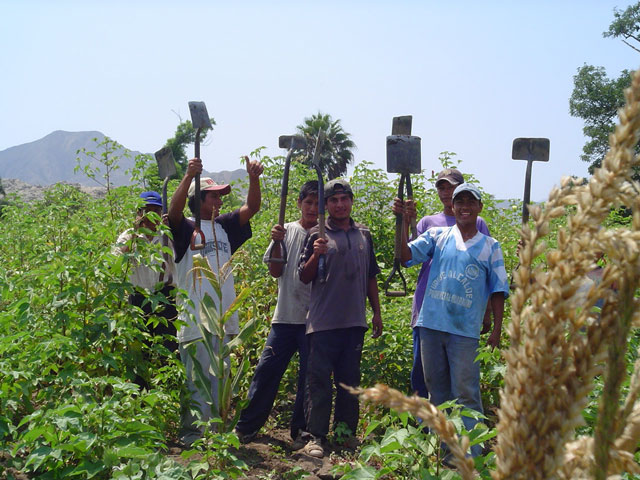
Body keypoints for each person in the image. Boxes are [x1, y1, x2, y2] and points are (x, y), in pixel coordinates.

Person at [399, 183, 509, 458]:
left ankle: (471, 453)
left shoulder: (490, 246)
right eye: (460, 202)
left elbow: (498, 290)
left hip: (465, 331)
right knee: (437, 390)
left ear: (479, 208)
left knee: (466, 392)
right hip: (430, 326)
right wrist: (403, 223)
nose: (464, 207)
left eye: (470, 202)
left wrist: (496, 330)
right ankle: (445, 452)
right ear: (453, 206)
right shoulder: (437, 236)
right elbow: (405, 256)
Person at [168, 156, 263, 445]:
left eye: (221, 196)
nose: (220, 201)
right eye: (214, 196)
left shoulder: (223, 227)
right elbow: (172, 212)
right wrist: (188, 176)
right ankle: (193, 434)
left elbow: (252, 208)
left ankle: (216, 434)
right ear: (199, 200)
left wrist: (254, 179)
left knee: (219, 380)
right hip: (196, 318)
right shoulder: (186, 227)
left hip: (222, 319)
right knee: (195, 379)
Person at [298, 178, 383, 458]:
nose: (339, 204)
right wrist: (316, 255)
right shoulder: (316, 234)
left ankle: (345, 435)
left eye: (343, 199)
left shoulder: (364, 235)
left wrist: (377, 313)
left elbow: (371, 276)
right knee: (319, 382)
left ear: (351, 201)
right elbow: (304, 275)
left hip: (354, 323)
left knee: (349, 383)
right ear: (326, 205)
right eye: (333, 200)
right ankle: (315, 437)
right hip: (322, 324)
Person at [394, 168, 491, 399]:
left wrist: (486, 313)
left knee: (461, 376)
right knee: (425, 372)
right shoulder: (429, 223)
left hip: (463, 311)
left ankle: (459, 426)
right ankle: (426, 427)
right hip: (429, 309)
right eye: (442, 187)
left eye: (451, 187)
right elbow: (407, 256)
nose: (446, 192)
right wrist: (404, 221)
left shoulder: (478, 223)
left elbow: (486, 271)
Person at [235, 180, 319, 448]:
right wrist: (277, 242)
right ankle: (246, 427)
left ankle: (301, 432)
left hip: (313, 321)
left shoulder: (325, 234)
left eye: (318, 204)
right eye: (308, 203)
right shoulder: (286, 231)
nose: (313, 208)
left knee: (308, 379)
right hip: (284, 318)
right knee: (266, 372)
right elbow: (274, 271)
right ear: (299, 204)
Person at [113, 191, 178, 388]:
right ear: (139, 213)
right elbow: (115, 262)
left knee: (169, 349)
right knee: (139, 351)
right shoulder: (128, 236)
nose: (151, 217)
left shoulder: (169, 236)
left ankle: (169, 392)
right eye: (146, 212)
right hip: (138, 299)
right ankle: (139, 395)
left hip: (166, 298)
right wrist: (134, 233)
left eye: (156, 211)